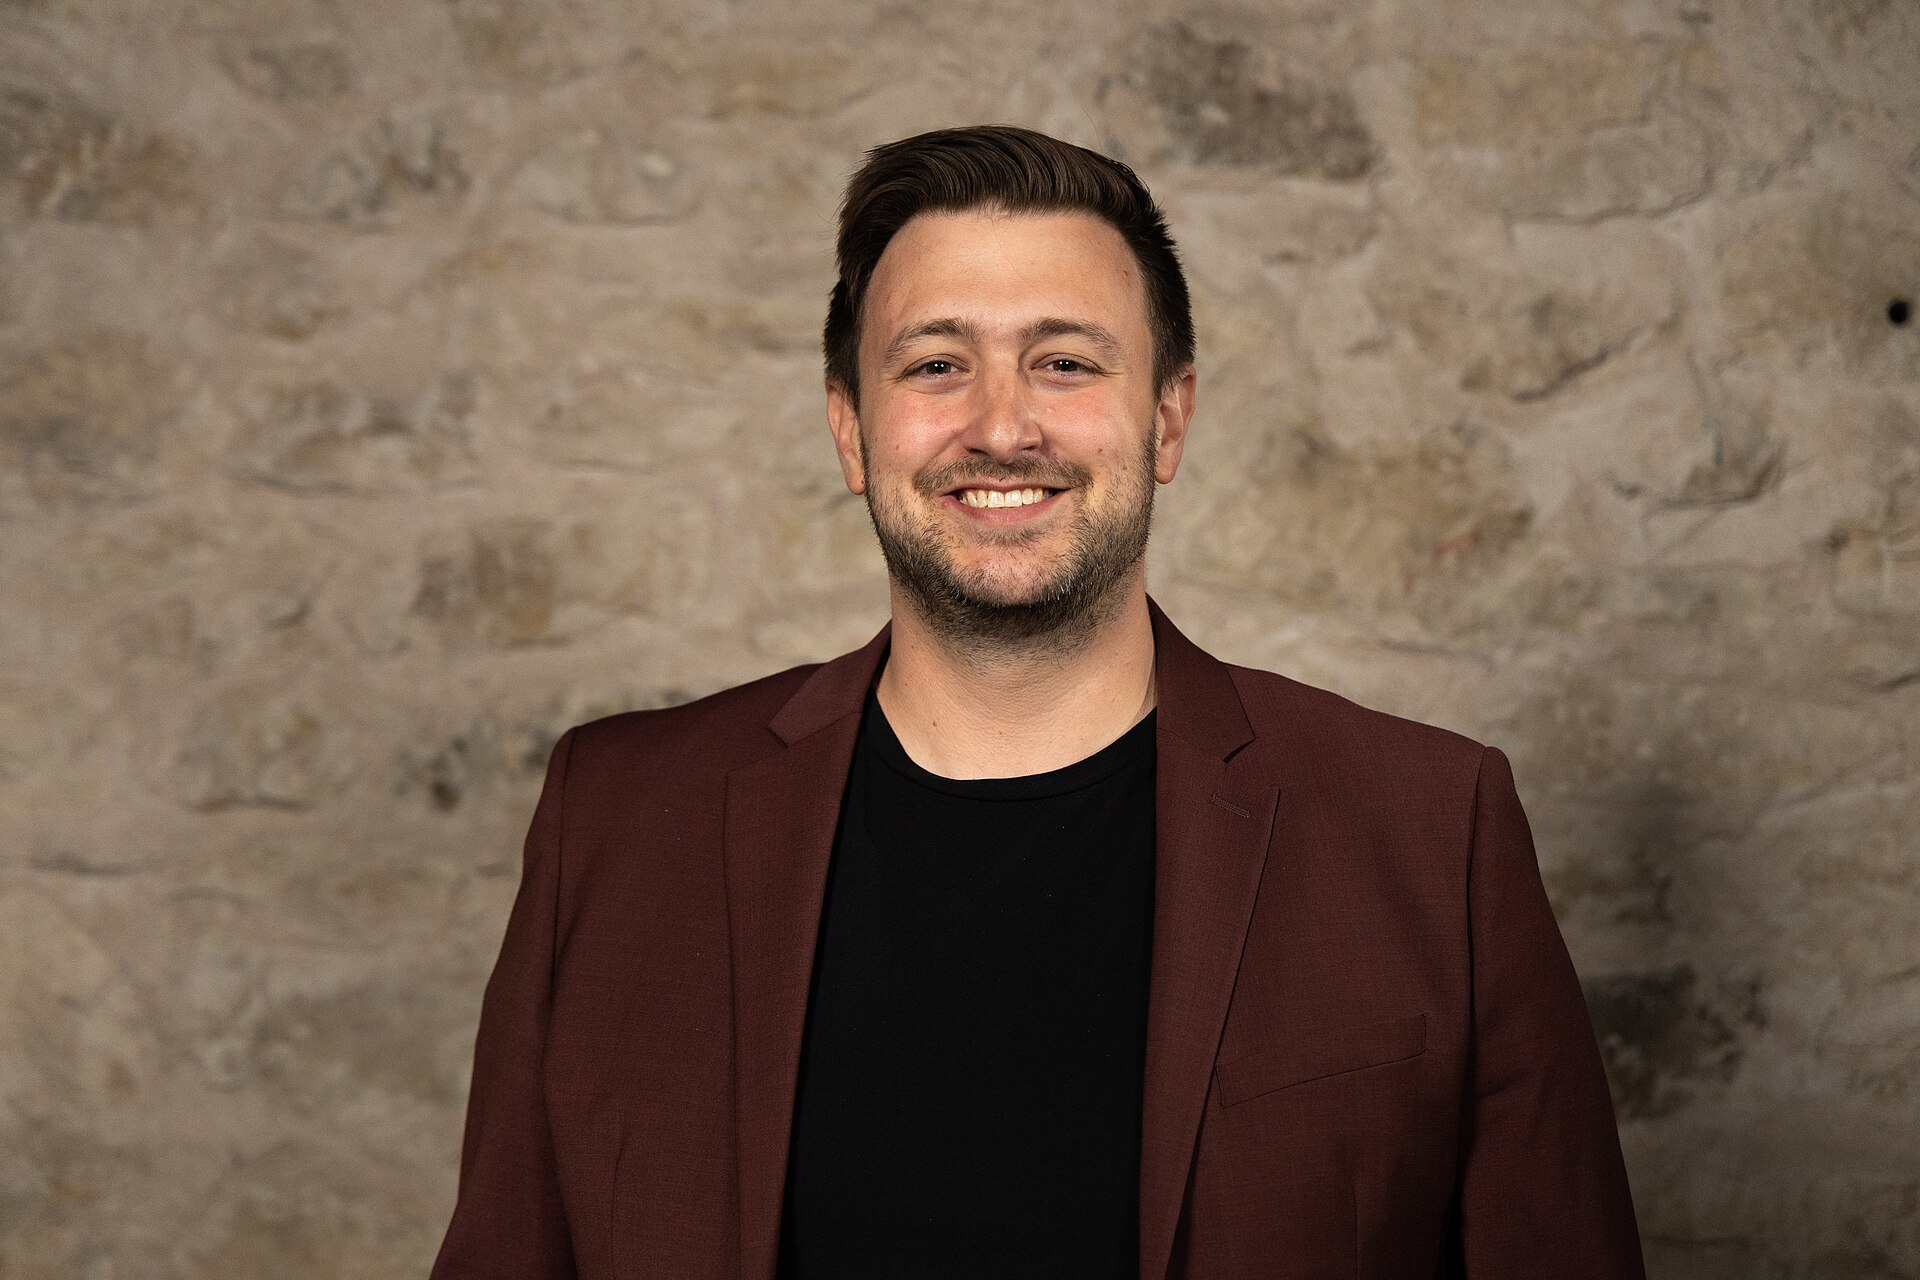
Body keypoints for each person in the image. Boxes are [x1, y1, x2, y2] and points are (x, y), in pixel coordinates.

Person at [430, 125, 1645, 1280]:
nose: (1001, 426)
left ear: (1167, 416)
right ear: (851, 429)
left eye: (1064, 361)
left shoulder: (1431, 829)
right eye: (937, 364)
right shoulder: (621, 821)